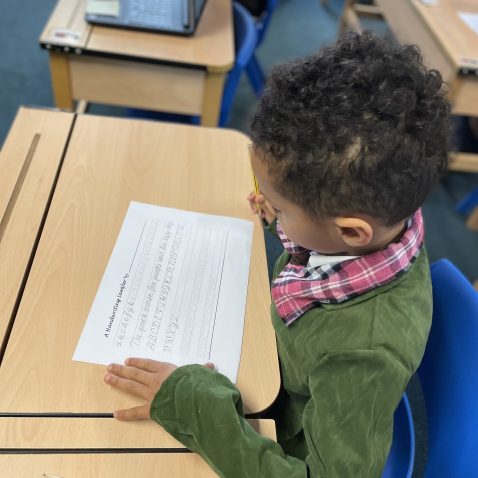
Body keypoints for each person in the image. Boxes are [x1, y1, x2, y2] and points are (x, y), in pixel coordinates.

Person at [103, 32, 450, 477]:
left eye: (280, 207)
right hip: (281, 362)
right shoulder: (387, 214)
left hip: (282, 431)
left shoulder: (362, 353)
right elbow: (329, 234)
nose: (270, 210)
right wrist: (289, 219)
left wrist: (194, 406)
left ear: (349, 230)